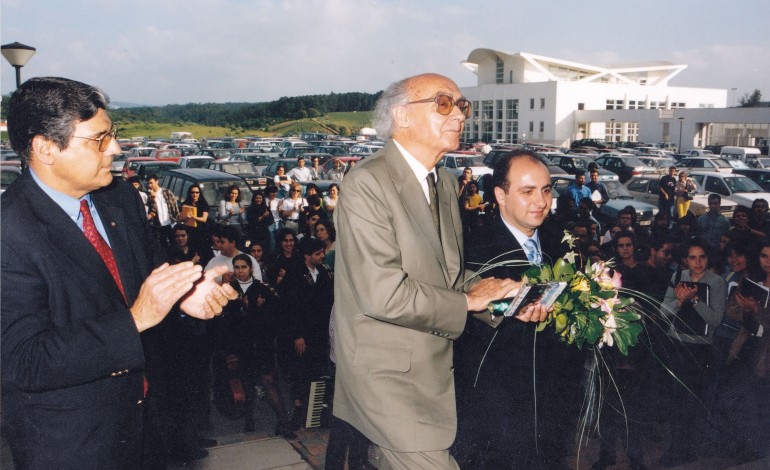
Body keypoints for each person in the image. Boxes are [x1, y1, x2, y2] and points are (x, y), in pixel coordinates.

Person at [0, 77, 236, 469]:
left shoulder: (119, 197)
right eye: (99, 139)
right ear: (45, 149)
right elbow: (23, 360)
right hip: (73, 446)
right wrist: (135, 319)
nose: (117, 149)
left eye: (114, 135)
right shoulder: (10, 231)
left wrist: (186, 297)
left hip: (151, 427)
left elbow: (150, 281)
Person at [332, 73, 530, 469]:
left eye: (462, 105)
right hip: (387, 379)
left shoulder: (443, 183)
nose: (459, 114)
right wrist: (469, 300)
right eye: (443, 103)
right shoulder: (367, 183)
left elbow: (450, 280)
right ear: (402, 116)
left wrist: (505, 298)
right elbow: (382, 292)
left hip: (431, 373)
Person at [454, 150, 559, 469]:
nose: (540, 201)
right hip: (495, 407)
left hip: (552, 400)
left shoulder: (559, 242)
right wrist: (513, 305)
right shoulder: (475, 249)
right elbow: (471, 311)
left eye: (546, 189)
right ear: (500, 194)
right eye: (527, 191)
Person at [660, 238, 726, 467]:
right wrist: (678, 301)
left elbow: (715, 320)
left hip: (699, 349)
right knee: (676, 400)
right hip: (675, 343)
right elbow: (662, 312)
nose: (698, 262)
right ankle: (675, 448)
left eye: (702, 257)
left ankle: (689, 449)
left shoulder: (716, 282)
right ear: (685, 260)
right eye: (692, 257)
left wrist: (695, 299)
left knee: (693, 402)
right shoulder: (679, 277)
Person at [147, 173, 180, 248]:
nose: (150, 185)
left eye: (151, 183)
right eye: (148, 183)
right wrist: (153, 200)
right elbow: (152, 211)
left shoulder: (166, 192)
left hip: (170, 223)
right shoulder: (150, 196)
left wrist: (175, 220)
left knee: (174, 244)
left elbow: (175, 206)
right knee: (163, 246)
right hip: (159, 226)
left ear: (157, 182)